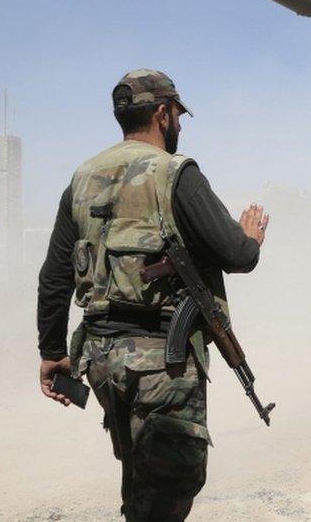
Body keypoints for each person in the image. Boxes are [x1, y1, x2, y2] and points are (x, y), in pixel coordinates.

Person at [36, 69, 270, 521]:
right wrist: (251, 237)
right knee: (170, 487)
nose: (180, 124)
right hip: (163, 362)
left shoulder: (81, 179)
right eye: (179, 115)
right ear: (163, 114)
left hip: (102, 361)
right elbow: (236, 256)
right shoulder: (175, 174)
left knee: (141, 472)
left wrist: (51, 351)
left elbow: (54, 277)